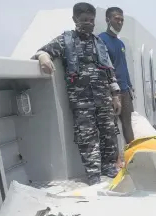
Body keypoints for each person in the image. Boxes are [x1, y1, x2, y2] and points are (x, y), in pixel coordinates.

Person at [33, 2, 121, 185]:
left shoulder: (99, 42)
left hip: (103, 97)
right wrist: (43, 57)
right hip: (82, 100)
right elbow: (42, 51)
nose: (88, 23)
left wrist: (115, 95)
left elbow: (109, 71)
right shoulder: (65, 40)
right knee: (87, 136)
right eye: (84, 20)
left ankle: (109, 167)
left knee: (109, 132)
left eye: (91, 20)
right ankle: (94, 175)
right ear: (75, 20)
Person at [98, 7, 135, 144]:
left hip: (125, 90)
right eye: (116, 19)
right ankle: (116, 159)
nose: (120, 22)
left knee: (127, 124)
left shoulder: (120, 43)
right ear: (108, 19)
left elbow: (123, 66)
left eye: (122, 20)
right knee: (111, 127)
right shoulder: (101, 39)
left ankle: (132, 154)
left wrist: (130, 87)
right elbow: (104, 66)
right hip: (112, 92)